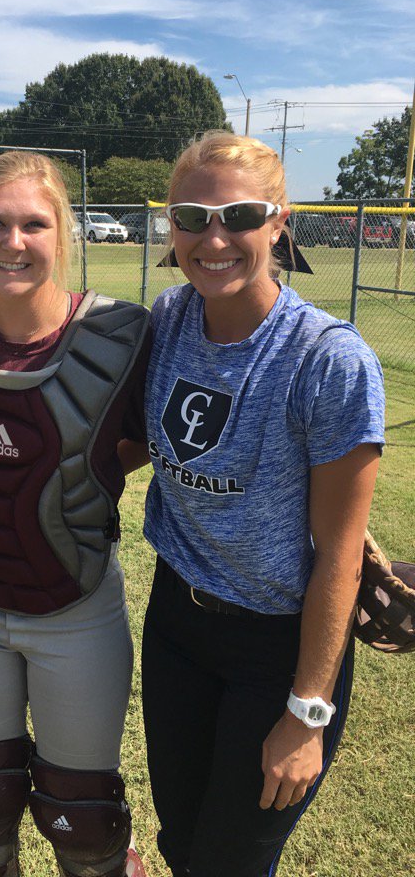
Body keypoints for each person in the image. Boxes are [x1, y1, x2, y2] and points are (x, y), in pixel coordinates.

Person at [120, 132, 385, 877]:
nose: (214, 237)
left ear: (278, 221)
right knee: (182, 845)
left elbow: (340, 552)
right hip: (176, 623)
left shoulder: (327, 359)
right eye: (190, 216)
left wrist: (307, 710)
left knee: (229, 862)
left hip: (278, 644)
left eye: (238, 214)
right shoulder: (169, 318)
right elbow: (133, 443)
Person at [0, 151, 150, 877]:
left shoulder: (126, 336)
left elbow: (169, 440)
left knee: (82, 822)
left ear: (63, 234)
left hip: (75, 610)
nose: (12, 241)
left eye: (33, 223)